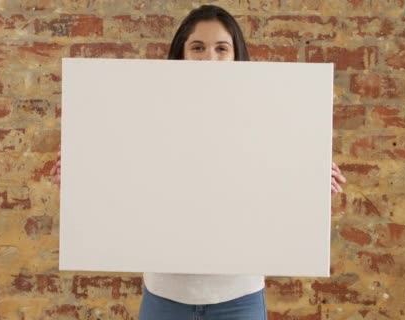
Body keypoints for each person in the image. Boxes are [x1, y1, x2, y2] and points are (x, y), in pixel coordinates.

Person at [51, 5, 346, 320]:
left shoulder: (264, 119)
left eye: (221, 48)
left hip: (238, 298)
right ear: (180, 55)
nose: (209, 58)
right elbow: (126, 182)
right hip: (165, 297)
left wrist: (310, 183)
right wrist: (82, 175)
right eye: (197, 47)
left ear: (236, 56)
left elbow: (271, 190)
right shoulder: (149, 117)